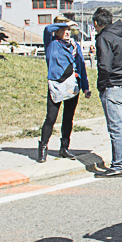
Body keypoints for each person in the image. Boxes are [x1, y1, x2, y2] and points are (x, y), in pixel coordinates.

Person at [38, 17, 90, 163]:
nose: (67, 32)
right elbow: (47, 29)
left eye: (68, 30)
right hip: (56, 85)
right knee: (51, 118)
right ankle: (43, 148)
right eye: (63, 30)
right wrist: (66, 23)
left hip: (72, 85)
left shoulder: (75, 46)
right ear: (57, 31)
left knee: (68, 118)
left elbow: (81, 66)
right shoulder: (51, 44)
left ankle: (64, 148)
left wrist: (85, 87)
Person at [92, 7, 122, 178]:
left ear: (96, 23)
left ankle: (117, 164)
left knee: (115, 127)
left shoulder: (104, 38)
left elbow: (104, 65)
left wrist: (101, 85)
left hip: (112, 85)